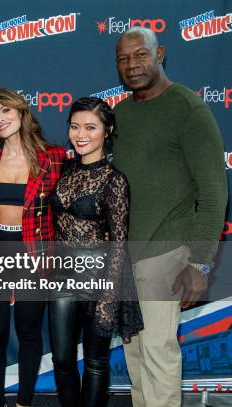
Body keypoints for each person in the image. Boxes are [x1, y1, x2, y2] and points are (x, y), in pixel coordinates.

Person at [113, 27, 227, 407]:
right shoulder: (121, 113)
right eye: (124, 59)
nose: (132, 65)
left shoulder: (188, 109)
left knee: (159, 354)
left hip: (166, 252)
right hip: (124, 258)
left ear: (159, 54)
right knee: (135, 357)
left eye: (140, 55)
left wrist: (200, 263)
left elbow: (214, 194)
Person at [49, 97, 143, 407]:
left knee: (95, 362)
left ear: (108, 130)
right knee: (62, 360)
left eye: (90, 127)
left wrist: (107, 299)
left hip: (99, 278)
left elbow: (119, 243)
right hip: (62, 276)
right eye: (74, 126)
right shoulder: (65, 170)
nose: (80, 134)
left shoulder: (115, 181)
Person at [0, 87, 65, 407]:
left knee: (28, 331)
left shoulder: (54, 157)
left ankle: (24, 401)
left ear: (21, 111)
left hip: (34, 252)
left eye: (5, 111)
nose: (0, 120)